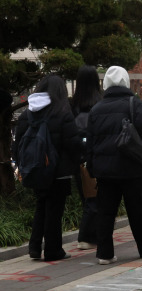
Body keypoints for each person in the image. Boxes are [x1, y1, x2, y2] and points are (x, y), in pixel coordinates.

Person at [86, 66, 142, 264]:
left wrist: (92, 169)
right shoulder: (134, 104)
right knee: (137, 211)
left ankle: (105, 253)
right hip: (131, 168)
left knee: (106, 213)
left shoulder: (96, 109)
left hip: (104, 171)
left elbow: (91, 143)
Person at [13, 75, 82, 261]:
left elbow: (18, 143)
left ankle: (34, 247)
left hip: (35, 168)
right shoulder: (62, 112)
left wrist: (22, 164)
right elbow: (73, 143)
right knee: (54, 210)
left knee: (41, 206)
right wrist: (77, 163)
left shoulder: (28, 113)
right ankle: (53, 250)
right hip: (58, 171)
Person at [71, 65, 102, 250]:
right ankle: (87, 236)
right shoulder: (100, 103)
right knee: (97, 198)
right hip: (98, 156)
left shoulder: (72, 105)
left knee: (87, 197)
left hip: (78, 158)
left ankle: (92, 235)